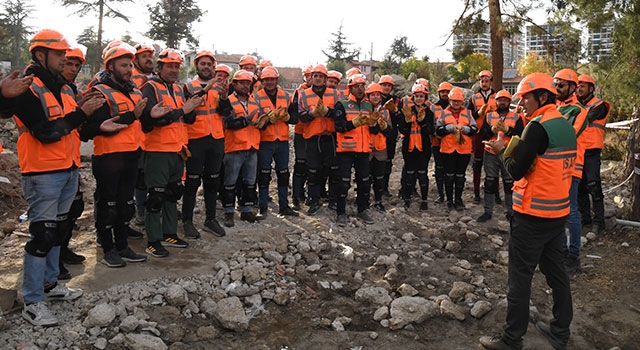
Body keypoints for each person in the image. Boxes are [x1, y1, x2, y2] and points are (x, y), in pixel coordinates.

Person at [1, 29, 106, 326]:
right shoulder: (28, 87)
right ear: (40, 54)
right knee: (43, 234)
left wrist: (88, 116)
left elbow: (74, 129)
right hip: (42, 172)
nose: (64, 59)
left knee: (59, 231)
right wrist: (80, 113)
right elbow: (46, 132)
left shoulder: (63, 87)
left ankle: (50, 285)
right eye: (60, 54)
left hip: (68, 168)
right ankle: (33, 300)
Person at [480, 72, 575, 350]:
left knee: (519, 278)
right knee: (557, 273)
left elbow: (515, 171)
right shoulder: (565, 124)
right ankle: (560, 332)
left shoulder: (537, 126)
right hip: (557, 214)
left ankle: (511, 340)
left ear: (542, 97)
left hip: (532, 215)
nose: (521, 104)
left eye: (525, 98)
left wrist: (500, 151)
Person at [81, 43, 157, 267]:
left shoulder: (134, 91)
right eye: (123, 65)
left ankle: (123, 246)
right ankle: (108, 249)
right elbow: (89, 129)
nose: (128, 69)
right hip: (108, 158)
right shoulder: (100, 92)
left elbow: (141, 122)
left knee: (125, 205)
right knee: (108, 206)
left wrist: (151, 115)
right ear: (110, 66)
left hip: (131, 156)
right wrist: (130, 116)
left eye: (129, 65)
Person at [139, 48, 202, 257]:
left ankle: (169, 233)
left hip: (177, 150)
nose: (174, 69)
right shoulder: (149, 88)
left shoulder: (178, 89)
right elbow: (149, 120)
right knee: (156, 196)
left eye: (176, 66)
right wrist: (184, 110)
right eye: (170, 66)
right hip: (157, 151)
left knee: (173, 193)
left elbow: (187, 118)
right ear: (160, 67)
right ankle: (153, 240)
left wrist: (191, 109)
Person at [181, 50, 227, 238]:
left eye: (209, 64)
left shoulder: (220, 88)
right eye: (203, 64)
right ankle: (187, 221)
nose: (206, 67)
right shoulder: (188, 87)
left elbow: (226, 113)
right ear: (196, 66)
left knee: (213, 180)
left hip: (216, 139)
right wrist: (202, 94)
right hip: (196, 139)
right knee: (192, 182)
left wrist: (224, 98)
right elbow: (187, 116)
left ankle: (210, 219)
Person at [553, 68, 589, 274]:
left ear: (573, 87)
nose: (557, 88)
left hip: (571, 166)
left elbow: (567, 135)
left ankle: (574, 255)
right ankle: (562, 251)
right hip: (554, 166)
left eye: (561, 85)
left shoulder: (580, 111)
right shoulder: (555, 107)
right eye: (555, 84)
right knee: (558, 210)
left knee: (571, 212)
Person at [57, 47, 88, 280]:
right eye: (69, 64)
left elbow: (78, 126)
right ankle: (53, 262)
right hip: (48, 163)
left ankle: (62, 251)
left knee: (73, 209)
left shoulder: (70, 90)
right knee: (52, 219)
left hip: (71, 160)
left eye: (77, 65)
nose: (73, 69)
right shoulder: (48, 89)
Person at [333, 74, 379, 226]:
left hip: (363, 150)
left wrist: (375, 124)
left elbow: (374, 130)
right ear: (350, 88)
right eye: (356, 86)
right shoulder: (342, 104)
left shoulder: (368, 105)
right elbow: (338, 127)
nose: (360, 89)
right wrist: (353, 123)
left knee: (364, 182)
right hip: (345, 151)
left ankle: (362, 209)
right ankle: (340, 212)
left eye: (362, 86)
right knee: (344, 183)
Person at [254, 66, 299, 218]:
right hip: (265, 140)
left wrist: (287, 118)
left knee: (283, 173)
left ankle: (284, 206)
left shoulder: (285, 96)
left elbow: (294, 118)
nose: (270, 82)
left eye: (272, 79)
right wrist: (267, 121)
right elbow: (255, 120)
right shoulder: (257, 97)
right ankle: (263, 207)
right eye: (267, 80)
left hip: (282, 141)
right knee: (264, 174)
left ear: (276, 80)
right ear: (262, 81)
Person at [218, 70, 261, 227]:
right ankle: (229, 212)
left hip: (251, 147)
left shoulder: (254, 101)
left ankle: (246, 210)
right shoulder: (227, 101)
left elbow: (258, 121)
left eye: (247, 83)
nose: (245, 85)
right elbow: (228, 123)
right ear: (234, 84)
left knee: (249, 182)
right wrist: (246, 121)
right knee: (230, 182)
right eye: (241, 82)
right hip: (234, 147)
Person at [297, 64, 340, 216]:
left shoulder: (334, 94)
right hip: (312, 138)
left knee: (333, 171)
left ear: (325, 79)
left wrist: (328, 112)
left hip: (329, 138)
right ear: (312, 77)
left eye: (321, 76)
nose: (318, 78)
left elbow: (339, 114)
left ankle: (333, 201)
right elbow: (300, 116)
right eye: (315, 76)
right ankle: (314, 201)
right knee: (313, 171)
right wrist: (312, 113)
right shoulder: (303, 94)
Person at [477, 90, 525, 222]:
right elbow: (482, 134)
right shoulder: (489, 116)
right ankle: (488, 211)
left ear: (509, 102)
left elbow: (520, 134)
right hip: (491, 152)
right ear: (496, 101)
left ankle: (509, 211)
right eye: (500, 100)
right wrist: (491, 130)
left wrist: (507, 130)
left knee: (509, 182)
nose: (502, 102)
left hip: (508, 152)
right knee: (490, 181)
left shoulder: (516, 117)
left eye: (505, 100)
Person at [576, 74, 609, 235]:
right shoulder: (575, 105)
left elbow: (584, 119)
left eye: (583, 85)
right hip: (578, 151)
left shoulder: (599, 105)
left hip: (592, 151)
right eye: (578, 85)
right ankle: (585, 218)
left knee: (594, 185)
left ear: (591, 88)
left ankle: (599, 222)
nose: (579, 88)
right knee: (580, 186)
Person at [436, 87, 477, 211]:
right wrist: (449, 128)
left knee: (460, 176)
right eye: (454, 101)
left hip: (463, 150)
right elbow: (438, 130)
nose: (456, 103)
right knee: (448, 176)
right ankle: (449, 200)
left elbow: (475, 129)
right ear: (450, 100)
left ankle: (458, 200)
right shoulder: (443, 113)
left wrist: (465, 129)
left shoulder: (468, 113)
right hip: (448, 150)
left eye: (458, 101)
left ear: (462, 101)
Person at [398, 83, 435, 210]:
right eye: (417, 96)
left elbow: (430, 131)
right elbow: (402, 130)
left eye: (421, 96)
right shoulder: (407, 111)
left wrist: (422, 121)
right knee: (410, 174)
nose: (419, 99)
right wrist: (407, 123)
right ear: (413, 97)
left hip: (423, 149)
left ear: (425, 98)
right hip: (409, 148)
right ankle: (407, 198)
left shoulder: (429, 113)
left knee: (422, 174)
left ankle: (424, 200)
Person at [131, 43, 156, 226]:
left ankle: (151, 207)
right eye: (144, 56)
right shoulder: (127, 77)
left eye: (150, 55)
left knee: (151, 175)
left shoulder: (156, 78)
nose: (148, 59)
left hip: (153, 135)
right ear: (135, 59)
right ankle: (139, 209)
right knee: (139, 176)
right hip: (134, 135)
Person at [468, 70, 497, 204]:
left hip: (492, 133)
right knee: (477, 163)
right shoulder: (473, 98)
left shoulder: (497, 96)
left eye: (486, 81)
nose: (484, 83)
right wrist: (478, 113)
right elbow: (468, 117)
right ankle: (476, 193)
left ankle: (495, 192)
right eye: (482, 81)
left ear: (491, 82)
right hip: (478, 133)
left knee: (493, 164)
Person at [366, 83, 394, 212]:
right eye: (373, 95)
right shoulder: (364, 109)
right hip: (366, 148)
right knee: (365, 177)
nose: (376, 97)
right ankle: (363, 200)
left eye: (378, 94)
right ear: (368, 96)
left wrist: (384, 127)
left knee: (379, 177)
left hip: (381, 149)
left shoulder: (385, 111)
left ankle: (378, 201)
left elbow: (390, 132)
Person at [291, 66, 313, 210]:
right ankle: (295, 196)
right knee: (300, 164)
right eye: (308, 75)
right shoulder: (299, 92)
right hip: (300, 132)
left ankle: (304, 193)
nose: (311, 78)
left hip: (313, 133)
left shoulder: (319, 93)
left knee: (310, 166)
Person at [378, 75, 402, 198]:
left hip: (390, 134)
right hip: (376, 134)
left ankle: (384, 188)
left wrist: (396, 111)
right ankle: (375, 187)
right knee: (374, 162)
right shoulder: (374, 97)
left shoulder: (396, 100)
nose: (386, 88)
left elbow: (401, 119)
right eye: (384, 85)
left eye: (388, 86)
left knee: (388, 162)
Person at [432, 82, 452, 203]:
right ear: (439, 93)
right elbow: (431, 123)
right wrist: (435, 133)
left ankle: (451, 195)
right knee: (439, 169)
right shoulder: (434, 107)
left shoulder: (455, 108)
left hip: (451, 143)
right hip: (437, 143)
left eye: (447, 92)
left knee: (450, 171)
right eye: (442, 92)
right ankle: (441, 195)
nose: (445, 94)